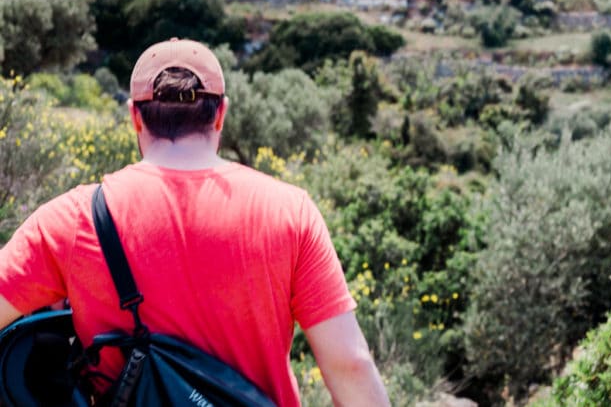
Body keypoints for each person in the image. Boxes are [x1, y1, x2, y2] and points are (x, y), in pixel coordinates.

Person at [0, 38, 391, 407]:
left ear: (135, 117)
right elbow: (350, 366)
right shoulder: (291, 211)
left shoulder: (72, 219)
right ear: (220, 114)